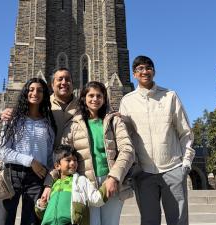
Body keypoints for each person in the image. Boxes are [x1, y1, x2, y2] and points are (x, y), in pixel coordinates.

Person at [119, 55, 195, 225]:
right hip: (144, 172)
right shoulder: (127, 101)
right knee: (149, 221)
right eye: (140, 69)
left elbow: (185, 132)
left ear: (153, 71)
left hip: (173, 168)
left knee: (178, 221)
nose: (145, 71)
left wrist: (186, 163)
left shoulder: (170, 96)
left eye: (148, 68)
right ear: (134, 74)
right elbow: (125, 137)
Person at [62, 81, 135, 225]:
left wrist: (114, 177)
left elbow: (127, 149)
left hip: (111, 181)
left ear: (104, 98)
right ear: (83, 98)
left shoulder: (114, 120)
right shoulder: (73, 124)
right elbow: (62, 155)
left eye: (99, 96)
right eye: (91, 95)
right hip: (85, 183)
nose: (95, 99)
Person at [0, 78, 56, 225]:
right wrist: (30, 161)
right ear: (25, 93)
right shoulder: (14, 119)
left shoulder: (48, 124)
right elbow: (2, 152)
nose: (35, 93)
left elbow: (49, 157)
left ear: (45, 95)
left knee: (32, 221)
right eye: (31, 89)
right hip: (12, 175)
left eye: (40, 90)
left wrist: (48, 182)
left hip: (37, 177)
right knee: (2, 220)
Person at [35, 145, 108, 225]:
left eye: (75, 160)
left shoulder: (81, 181)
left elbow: (96, 198)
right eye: (68, 160)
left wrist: (108, 185)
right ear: (57, 166)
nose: (73, 163)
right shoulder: (53, 184)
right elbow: (42, 215)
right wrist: (41, 205)